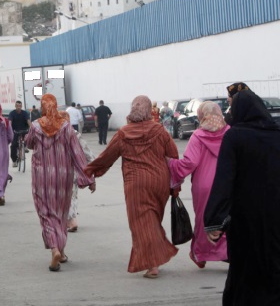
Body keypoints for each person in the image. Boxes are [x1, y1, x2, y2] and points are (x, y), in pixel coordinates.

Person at [84, 95, 179, 279]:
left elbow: (107, 156)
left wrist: (89, 170)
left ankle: (152, 265)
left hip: (135, 184)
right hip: (159, 182)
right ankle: (156, 257)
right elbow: (173, 156)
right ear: (148, 110)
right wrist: (176, 184)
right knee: (152, 220)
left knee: (142, 223)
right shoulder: (159, 131)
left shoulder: (123, 133)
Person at [204, 90, 280, 305]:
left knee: (245, 267)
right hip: (275, 214)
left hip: (246, 216)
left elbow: (224, 179)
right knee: (274, 262)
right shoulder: (277, 134)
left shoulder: (235, 135)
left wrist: (214, 220)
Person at [25, 94, 95, 272]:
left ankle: (55, 249)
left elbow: (28, 144)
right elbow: (77, 153)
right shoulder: (66, 127)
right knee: (61, 213)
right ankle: (62, 252)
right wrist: (88, 178)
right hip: (63, 177)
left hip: (42, 177)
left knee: (46, 213)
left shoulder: (35, 126)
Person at [168, 101, 229, 269]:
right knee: (226, 219)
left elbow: (190, 162)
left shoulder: (198, 135)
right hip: (227, 184)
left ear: (201, 115)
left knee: (203, 220)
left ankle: (201, 255)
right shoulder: (230, 133)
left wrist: (171, 164)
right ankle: (227, 252)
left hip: (204, 186)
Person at [67, 114, 96, 233]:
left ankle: (69, 220)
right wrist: (92, 174)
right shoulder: (75, 134)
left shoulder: (52, 134)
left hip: (55, 171)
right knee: (72, 195)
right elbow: (88, 154)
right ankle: (72, 219)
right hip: (72, 170)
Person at [8, 101, 30, 167]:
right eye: (17, 106)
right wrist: (9, 129)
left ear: (21, 106)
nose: (18, 107)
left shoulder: (25, 113)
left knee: (27, 137)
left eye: (20, 106)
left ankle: (25, 146)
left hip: (24, 130)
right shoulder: (12, 113)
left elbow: (28, 121)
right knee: (13, 145)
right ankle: (14, 161)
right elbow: (10, 122)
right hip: (15, 131)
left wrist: (32, 128)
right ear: (15, 106)